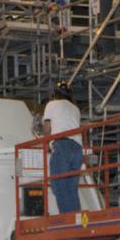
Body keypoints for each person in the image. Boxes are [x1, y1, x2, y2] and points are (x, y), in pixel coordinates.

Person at [42, 83, 83, 214]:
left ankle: (67, 220)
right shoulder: (75, 108)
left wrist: (45, 143)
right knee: (71, 187)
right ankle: (76, 218)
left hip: (62, 145)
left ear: (55, 94)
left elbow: (47, 129)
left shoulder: (51, 104)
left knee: (59, 185)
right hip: (77, 148)